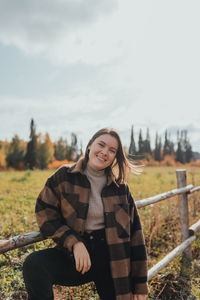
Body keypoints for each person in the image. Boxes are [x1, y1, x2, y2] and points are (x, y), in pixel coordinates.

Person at [23, 128, 148, 300]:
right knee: (34, 263)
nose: (104, 152)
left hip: (112, 261)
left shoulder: (120, 188)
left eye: (112, 150)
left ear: (115, 157)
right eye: (101, 145)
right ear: (89, 146)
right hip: (77, 258)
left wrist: (140, 286)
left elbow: (136, 236)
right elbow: (45, 212)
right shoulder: (65, 176)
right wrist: (74, 242)